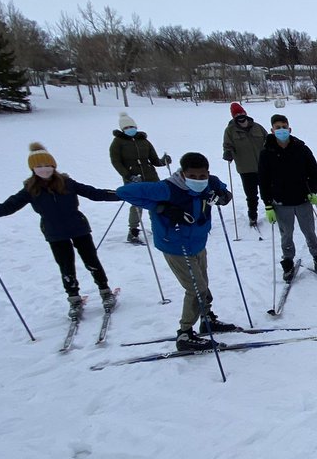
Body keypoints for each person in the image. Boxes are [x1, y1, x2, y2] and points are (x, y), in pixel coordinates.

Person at [0, 142, 121, 319]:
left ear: (53, 166)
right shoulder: (30, 189)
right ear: (33, 168)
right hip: (54, 232)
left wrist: (124, 194)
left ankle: (105, 291)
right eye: (39, 166)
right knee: (66, 266)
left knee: (91, 261)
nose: (44, 170)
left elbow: (95, 193)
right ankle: (74, 299)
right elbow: (8, 207)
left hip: (78, 228)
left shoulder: (67, 183)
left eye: (47, 166)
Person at [117, 152, 238, 350]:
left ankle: (206, 318)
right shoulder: (166, 189)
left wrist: (223, 197)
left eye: (202, 176)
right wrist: (161, 208)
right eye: (193, 176)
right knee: (195, 288)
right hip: (175, 244)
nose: (198, 180)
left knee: (203, 283)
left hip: (198, 241)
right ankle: (185, 333)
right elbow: (124, 192)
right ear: (182, 174)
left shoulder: (211, 182)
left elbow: (224, 193)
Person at [258, 113, 317, 280]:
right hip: (281, 203)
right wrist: (268, 204)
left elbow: (314, 171)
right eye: (278, 128)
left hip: (303, 199)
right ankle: (288, 262)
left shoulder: (301, 148)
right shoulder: (266, 152)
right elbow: (263, 180)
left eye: (284, 127)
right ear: (272, 130)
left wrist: (313, 190)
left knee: (309, 231)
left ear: (289, 129)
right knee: (286, 234)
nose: (281, 130)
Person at [109, 112, 170, 244]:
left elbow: (154, 160)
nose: (130, 129)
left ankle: (158, 227)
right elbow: (116, 162)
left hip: (151, 176)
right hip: (133, 179)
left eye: (132, 126)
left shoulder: (144, 141)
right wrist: (128, 175)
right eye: (126, 128)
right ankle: (133, 231)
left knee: (157, 201)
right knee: (137, 204)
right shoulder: (117, 143)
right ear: (122, 129)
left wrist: (163, 161)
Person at [222, 102, 269, 226]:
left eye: (241, 113)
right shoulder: (230, 131)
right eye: (237, 114)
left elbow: (268, 139)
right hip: (246, 168)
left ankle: (273, 211)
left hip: (263, 166)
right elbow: (227, 145)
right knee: (252, 195)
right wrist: (228, 152)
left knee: (268, 191)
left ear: (245, 113)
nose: (240, 116)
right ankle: (252, 216)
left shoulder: (257, 127)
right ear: (233, 116)